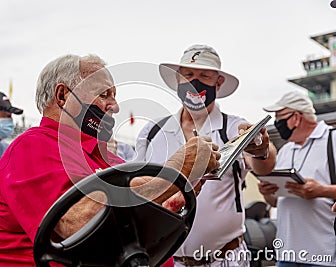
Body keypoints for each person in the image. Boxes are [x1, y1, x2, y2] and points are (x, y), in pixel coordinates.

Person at [0, 54, 221, 266]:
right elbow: (79, 224)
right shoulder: (30, 148)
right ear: (62, 95)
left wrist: (168, 203)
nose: (116, 107)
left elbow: (125, 222)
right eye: (104, 94)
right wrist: (174, 172)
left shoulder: (111, 159)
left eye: (114, 96)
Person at [135, 44, 276, 267]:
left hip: (225, 259)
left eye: (204, 76)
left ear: (218, 83)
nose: (194, 81)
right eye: (188, 74)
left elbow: (263, 165)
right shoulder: (152, 131)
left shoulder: (233, 126)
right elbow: (138, 187)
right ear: (178, 79)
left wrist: (262, 149)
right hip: (166, 260)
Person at [259, 91, 336, 266]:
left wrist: (322, 191)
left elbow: (321, 191)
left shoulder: (332, 139)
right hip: (286, 254)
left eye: (279, 117)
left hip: (324, 255)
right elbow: (275, 202)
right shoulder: (286, 150)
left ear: (296, 117)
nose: (276, 123)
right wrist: (267, 192)